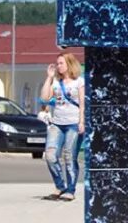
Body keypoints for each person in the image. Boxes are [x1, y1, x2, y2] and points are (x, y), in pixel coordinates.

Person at [40, 52, 85, 201]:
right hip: (57, 123)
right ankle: (60, 186)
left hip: (73, 123)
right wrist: (49, 77)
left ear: (69, 64)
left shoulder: (79, 82)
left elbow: (83, 105)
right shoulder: (56, 83)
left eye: (61, 63)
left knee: (69, 156)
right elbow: (44, 98)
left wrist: (81, 122)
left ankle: (70, 190)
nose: (58, 66)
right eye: (57, 63)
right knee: (50, 155)